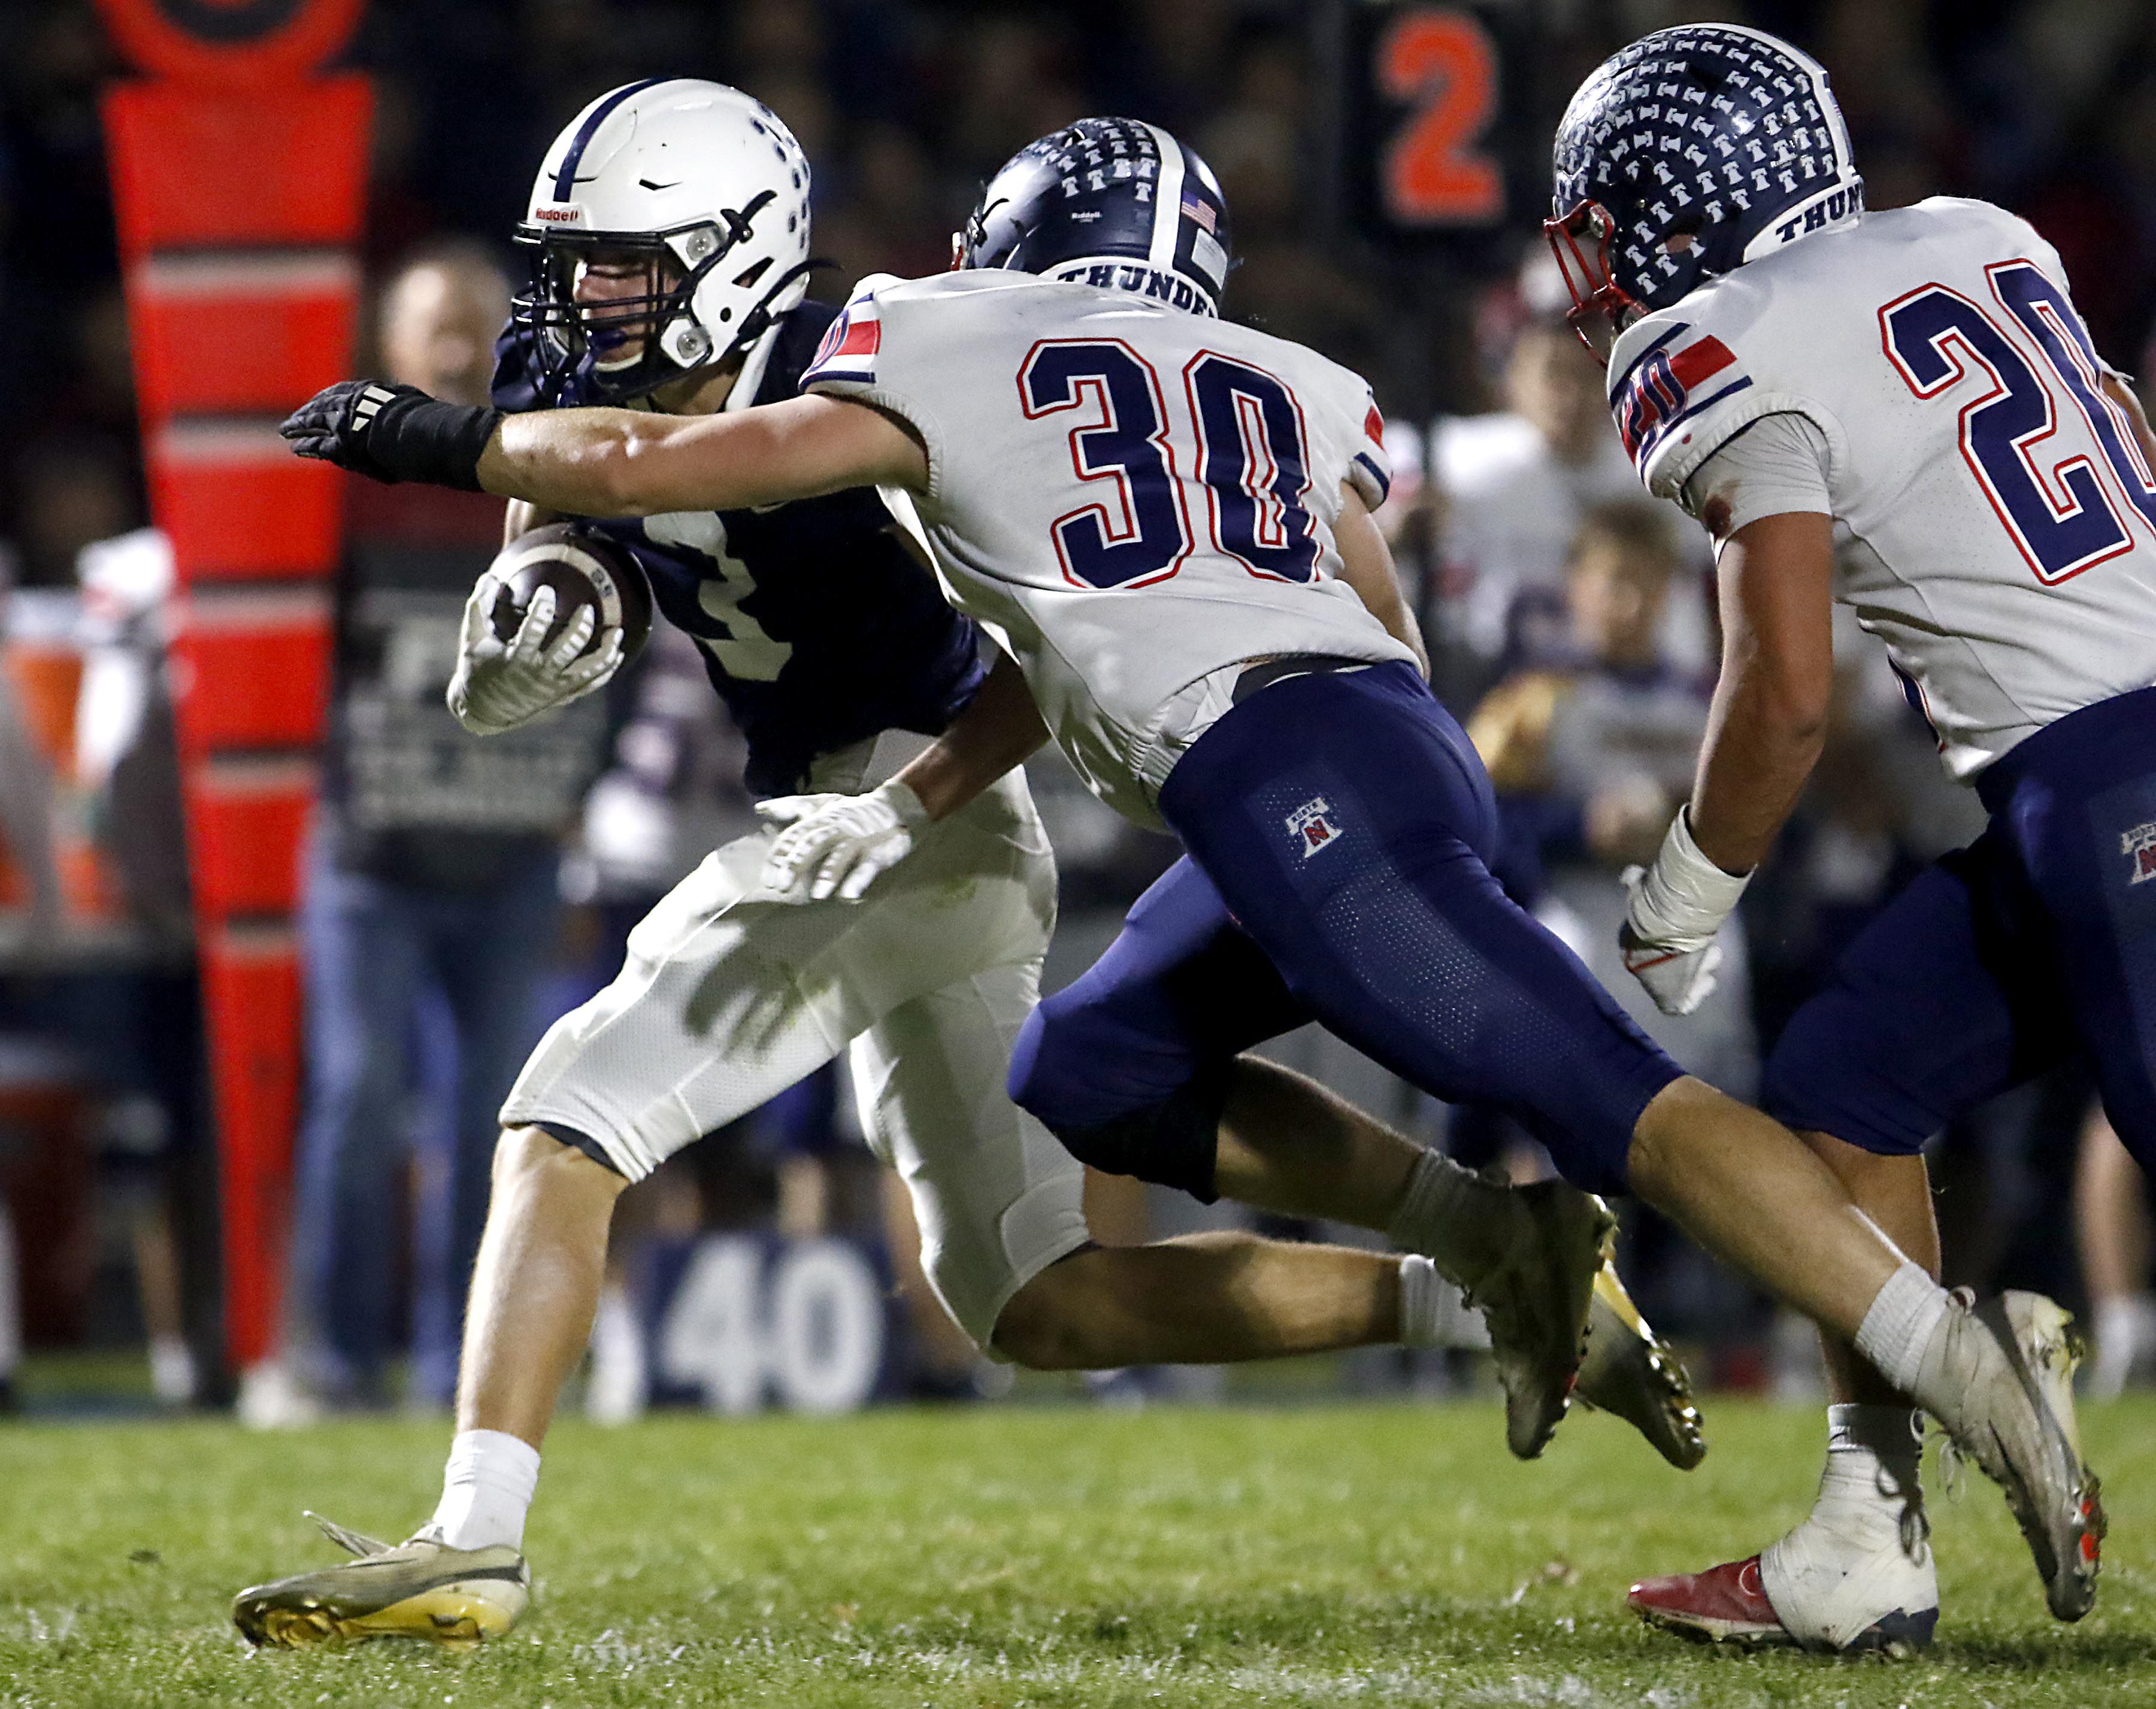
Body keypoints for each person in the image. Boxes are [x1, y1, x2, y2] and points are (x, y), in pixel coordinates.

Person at [280, 101, 2108, 1641]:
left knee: (1605, 1092)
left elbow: (699, 459)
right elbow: (1362, 616)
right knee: (1088, 1084)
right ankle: (1498, 1254)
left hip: (1274, 784)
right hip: (1363, 751)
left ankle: (1962, 1368)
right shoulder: (1281, 375)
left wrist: (435, 438)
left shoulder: (934, 333)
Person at [1539, 23, 2154, 1654]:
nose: (1595, 264)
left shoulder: (1709, 340)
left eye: (1606, 221)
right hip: (2070, 780)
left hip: (2111, 780)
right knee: (1846, 1078)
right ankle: (1867, 1533)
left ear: (1671, 207)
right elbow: (2131, 439)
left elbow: (1786, 685)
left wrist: (1684, 890)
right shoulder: (1981, 234)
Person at [284, 244, 605, 1413]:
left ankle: (448, 1365)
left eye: (479, 322)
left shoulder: (552, 467)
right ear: (391, 350)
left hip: (516, 857)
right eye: (439, 326)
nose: (463, 345)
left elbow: (613, 660)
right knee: (360, 1095)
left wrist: (584, 819)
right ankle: (331, 1357)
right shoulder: (344, 483)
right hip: (369, 857)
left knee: (490, 1116)